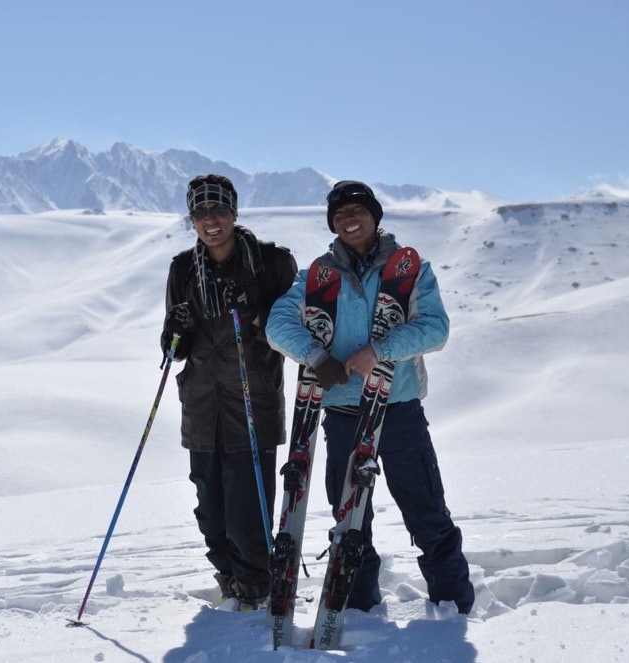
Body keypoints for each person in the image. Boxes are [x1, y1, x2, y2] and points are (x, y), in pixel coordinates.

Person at [265, 180, 475, 614]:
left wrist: (379, 350)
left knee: (425, 510)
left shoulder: (410, 268)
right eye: (340, 214)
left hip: (398, 409)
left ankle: (453, 604)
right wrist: (314, 355)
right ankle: (360, 607)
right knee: (350, 518)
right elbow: (277, 325)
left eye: (357, 210)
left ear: (375, 215)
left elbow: (435, 329)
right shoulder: (316, 277)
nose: (349, 219)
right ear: (333, 224)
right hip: (342, 412)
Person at [161, 174, 298, 609]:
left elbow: (294, 329)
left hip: (250, 401)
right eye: (200, 211)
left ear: (234, 213)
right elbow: (172, 349)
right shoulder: (183, 268)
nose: (210, 219)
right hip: (201, 405)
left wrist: (257, 317)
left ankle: (257, 587)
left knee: (246, 508)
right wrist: (174, 333)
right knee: (210, 508)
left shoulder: (271, 263)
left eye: (218, 209)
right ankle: (230, 581)